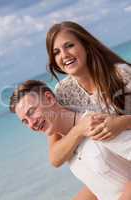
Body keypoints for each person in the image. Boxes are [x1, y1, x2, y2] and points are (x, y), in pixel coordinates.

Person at [46, 21, 131, 199]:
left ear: (85, 45)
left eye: (69, 45)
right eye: (56, 52)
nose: (64, 55)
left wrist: (121, 122)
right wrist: (79, 129)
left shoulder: (120, 75)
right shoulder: (62, 93)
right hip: (114, 171)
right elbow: (55, 156)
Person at [10, 80, 131, 200]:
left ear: (49, 99)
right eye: (25, 121)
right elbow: (101, 186)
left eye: (31, 112)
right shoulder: (67, 148)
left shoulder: (95, 123)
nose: (32, 124)